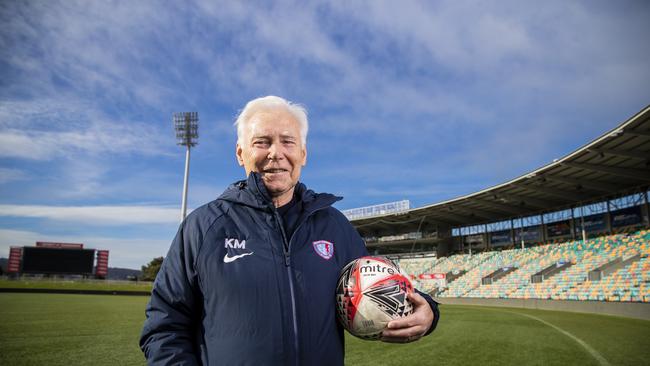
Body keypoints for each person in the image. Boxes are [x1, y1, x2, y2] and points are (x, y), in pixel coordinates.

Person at [140, 96, 440, 365]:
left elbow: (382, 281)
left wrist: (428, 310)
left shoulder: (334, 226)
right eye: (262, 142)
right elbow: (164, 326)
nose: (276, 153)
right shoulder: (203, 227)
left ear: (303, 154)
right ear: (240, 154)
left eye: (287, 141)